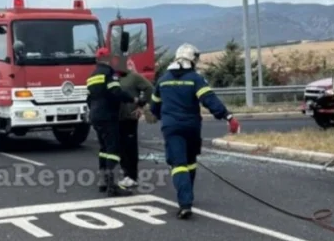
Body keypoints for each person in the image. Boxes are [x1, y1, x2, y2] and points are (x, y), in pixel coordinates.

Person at [149, 43, 240, 219]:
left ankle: (185, 202)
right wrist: (228, 116)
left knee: (178, 164)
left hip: (171, 127)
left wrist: (165, 117)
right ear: (192, 60)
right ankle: (187, 196)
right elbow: (209, 100)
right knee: (190, 161)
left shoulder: (163, 80)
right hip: (191, 126)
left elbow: (154, 107)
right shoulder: (195, 79)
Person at [85, 48, 141, 196]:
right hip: (108, 116)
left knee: (103, 149)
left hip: (95, 116)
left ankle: (103, 181)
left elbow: (89, 99)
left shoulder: (92, 76)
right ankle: (112, 186)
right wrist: (134, 99)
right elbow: (116, 92)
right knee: (113, 150)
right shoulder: (109, 73)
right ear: (108, 59)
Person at [117, 66, 154, 188]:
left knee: (130, 147)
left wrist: (141, 106)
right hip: (116, 117)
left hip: (130, 116)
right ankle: (126, 174)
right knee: (120, 147)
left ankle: (132, 176)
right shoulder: (113, 78)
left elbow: (149, 88)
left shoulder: (133, 77)